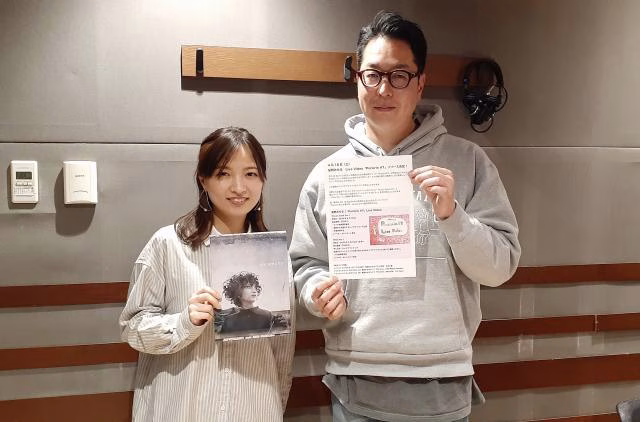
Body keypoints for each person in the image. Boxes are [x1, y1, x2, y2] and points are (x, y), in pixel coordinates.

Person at [289, 10, 521, 422]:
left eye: (399, 75)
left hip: (442, 381)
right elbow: (305, 264)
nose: (384, 89)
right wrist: (315, 292)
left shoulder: (468, 162)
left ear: (420, 83)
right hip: (355, 378)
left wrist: (453, 216)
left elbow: (500, 266)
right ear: (357, 79)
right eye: (372, 75)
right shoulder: (328, 175)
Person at [119, 127, 295, 421]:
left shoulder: (274, 257)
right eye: (224, 173)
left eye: (250, 174)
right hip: (181, 409)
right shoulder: (168, 245)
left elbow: (282, 352)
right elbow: (132, 327)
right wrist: (184, 322)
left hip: (254, 408)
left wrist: (275, 406)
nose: (239, 187)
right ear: (203, 179)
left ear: (262, 179)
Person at [216, 271, 289, 334]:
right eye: (248, 287)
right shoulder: (229, 321)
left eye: (255, 287)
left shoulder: (268, 316)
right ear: (237, 293)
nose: (254, 291)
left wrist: (280, 328)